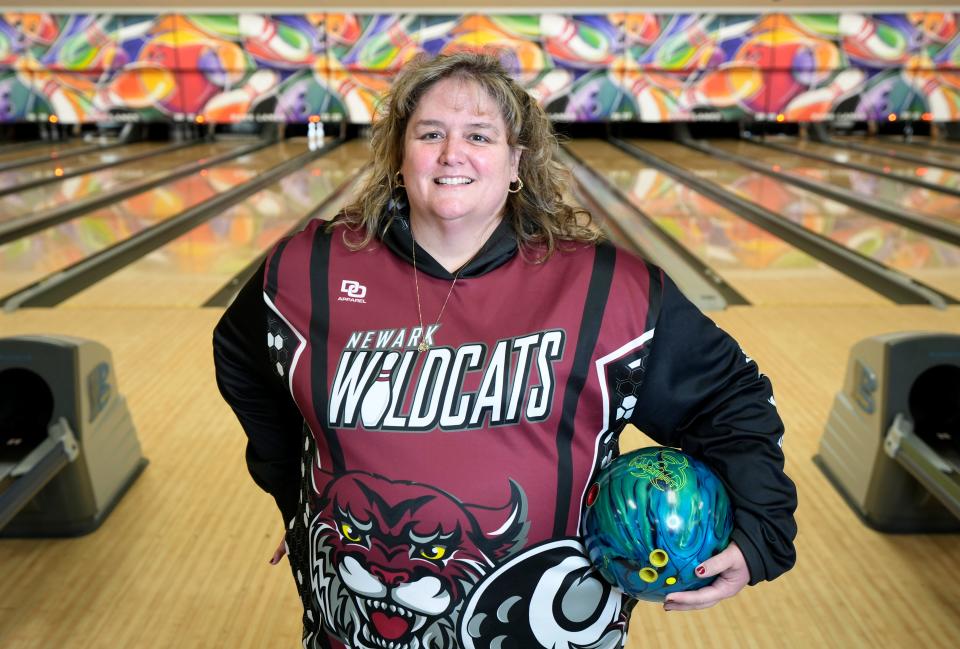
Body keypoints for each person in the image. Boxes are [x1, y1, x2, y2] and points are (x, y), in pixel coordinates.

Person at [213, 52, 797, 649]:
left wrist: (759, 528)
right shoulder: (308, 271)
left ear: (517, 160)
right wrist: (298, 490)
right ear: (399, 153)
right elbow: (245, 363)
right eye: (430, 133)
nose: (451, 153)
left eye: (479, 135)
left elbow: (727, 399)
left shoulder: (607, 288)